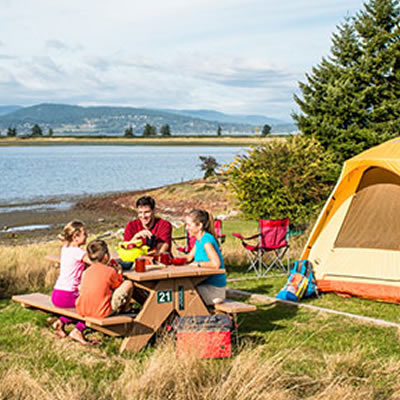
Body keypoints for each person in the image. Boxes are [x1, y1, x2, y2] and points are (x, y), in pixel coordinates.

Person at [51, 220, 91, 345]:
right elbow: (95, 263)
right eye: (84, 234)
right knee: (91, 307)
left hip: (56, 293)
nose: (87, 236)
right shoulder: (78, 252)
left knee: (77, 307)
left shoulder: (65, 248)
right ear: (75, 237)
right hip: (67, 295)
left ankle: (61, 322)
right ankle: (78, 330)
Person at [76, 240, 133, 319]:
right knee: (128, 283)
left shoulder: (86, 272)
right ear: (106, 256)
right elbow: (118, 285)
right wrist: (119, 272)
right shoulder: (110, 271)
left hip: (83, 310)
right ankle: (126, 309)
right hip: (102, 312)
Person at [185, 209, 226, 305]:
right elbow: (189, 257)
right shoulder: (199, 240)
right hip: (204, 285)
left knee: (181, 294)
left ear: (199, 225)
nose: (187, 228)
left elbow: (216, 264)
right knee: (180, 290)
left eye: (189, 225)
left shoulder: (206, 240)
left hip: (214, 291)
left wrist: (198, 264)